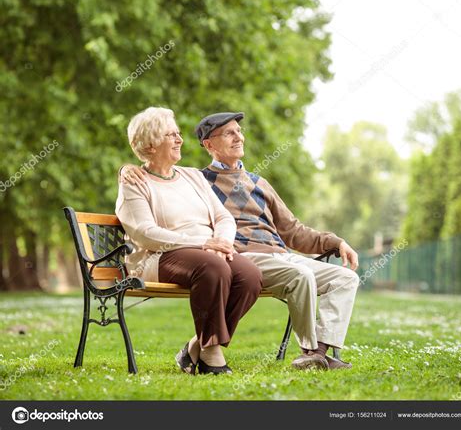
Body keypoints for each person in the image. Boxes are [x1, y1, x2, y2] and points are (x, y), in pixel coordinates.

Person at [121, 111, 359, 371]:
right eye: (229, 133)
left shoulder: (252, 183)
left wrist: (336, 243)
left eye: (239, 131)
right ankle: (307, 352)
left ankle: (320, 353)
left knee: (345, 278)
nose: (239, 137)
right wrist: (127, 168)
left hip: (265, 254)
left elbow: (292, 231)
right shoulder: (203, 178)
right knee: (293, 274)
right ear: (209, 145)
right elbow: (150, 204)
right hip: (231, 255)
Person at [116, 107, 262, 375]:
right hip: (158, 256)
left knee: (250, 275)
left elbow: (223, 217)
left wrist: (222, 241)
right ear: (149, 144)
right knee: (213, 268)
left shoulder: (192, 176)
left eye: (178, 133)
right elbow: (144, 232)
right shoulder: (134, 182)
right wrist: (202, 244)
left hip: (207, 251)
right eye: (171, 135)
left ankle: (198, 344)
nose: (180, 139)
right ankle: (211, 356)